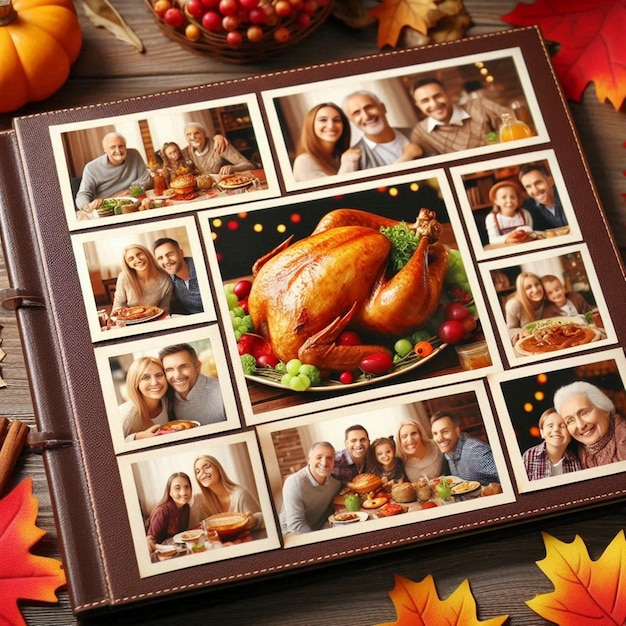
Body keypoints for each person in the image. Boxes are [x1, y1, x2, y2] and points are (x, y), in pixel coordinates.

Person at [409, 78, 512, 156]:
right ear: (418, 106)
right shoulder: (420, 133)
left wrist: (492, 138)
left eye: (437, 96)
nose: (434, 104)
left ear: (448, 95)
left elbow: (513, 124)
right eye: (425, 101)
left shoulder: (480, 106)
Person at [554, 381, 626, 468]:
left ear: (605, 410)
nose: (580, 425)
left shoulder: (623, 440)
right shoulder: (572, 454)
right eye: (570, 420)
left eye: (584, 413)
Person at [342, 91, 422, 169]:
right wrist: (407, 157)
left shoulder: (418, 134)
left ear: (383, 108)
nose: (366, 116)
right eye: (356, 113)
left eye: (369, 107)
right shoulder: (353, 159)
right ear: (351, 121)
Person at [75, 132, 153, 213]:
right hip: (107, 208)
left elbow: (145, 179)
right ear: (105, 149)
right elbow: (82, 194)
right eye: (113, 147)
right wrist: (87, 206)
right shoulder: (91, 167)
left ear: (125, 146)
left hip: (133, 203)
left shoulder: (134, 154)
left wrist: (130, 191)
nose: (118, 151)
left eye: (121, 146)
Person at [279, 442, 341, 535]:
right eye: (319, 457)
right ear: (309, 459)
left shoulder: (335, 483)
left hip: (320, 531)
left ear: (333, 462)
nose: (324, 463)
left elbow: (331, 513)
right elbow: (295, 525)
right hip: (291, 535)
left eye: (329, 458)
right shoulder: (294, 483)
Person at [159, 343, 226, 425]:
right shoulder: (165, 397)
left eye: (183, 366)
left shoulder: (223, 392)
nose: (177, 376)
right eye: (169, 369)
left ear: (197, 366)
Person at [292, 102, 361, 182]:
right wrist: (349, 162)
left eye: (336, 120)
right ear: (311, 125)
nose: (331, 125)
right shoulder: (304, 161)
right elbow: (335, 192)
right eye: (323, 120)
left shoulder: (337, 157)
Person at [189, 455, 263, 529]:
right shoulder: (201, 501)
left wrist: (255, 520)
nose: (202, 473)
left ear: (218, 469)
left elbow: (264, 522)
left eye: (207, 467)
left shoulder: (241, 495)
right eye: (197, 471)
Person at [430, 412, 499, 485]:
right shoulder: (448, 453)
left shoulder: (475, 451)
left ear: (457, 431)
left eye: (444, 432)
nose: (439, 438)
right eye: (435, 433)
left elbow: (508, 475)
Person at [119, 356, 171, 441]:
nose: (154, 383)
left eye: (159, 375)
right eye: (145, 377)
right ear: (135, 383)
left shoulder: (168, 401)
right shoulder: (124, 415)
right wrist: (136, 438)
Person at [111, 244, 173, 314]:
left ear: (147, 255)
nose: (137, 260)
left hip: (155, 319)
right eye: (131, 259)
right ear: (128, 264)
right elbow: (118, 305)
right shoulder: (123, 277)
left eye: (139, 254)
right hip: (129, 321)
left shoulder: (165, 278)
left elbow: (165, 308)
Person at [522, 408, 581, 480]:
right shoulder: (529, 457)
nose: (556, 429)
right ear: (542, 432)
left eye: (562, 426)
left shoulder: (577, 459)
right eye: (550, 426)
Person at [504, 271, 560, 344]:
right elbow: (510, 330)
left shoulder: (548, 298)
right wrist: (520, 332)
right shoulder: (514, 305)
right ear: (522, 291)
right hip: (526, 342)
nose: (535, 290)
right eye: (528, 287)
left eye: (537, 284)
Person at [153, 237, 204, 315]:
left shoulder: (202, 267)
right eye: (160, 258)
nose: (166, 261)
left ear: (181, 253)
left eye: (170, 254)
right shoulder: (169, 279)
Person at [182, 122, 253, 176]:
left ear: (204, 134)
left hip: (229, 184)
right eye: (188, 134)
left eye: (196, 133)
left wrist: (233, 168)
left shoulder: (219, 144)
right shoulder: (187, 151)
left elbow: (249, 165)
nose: (192, 137)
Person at [146, 472, 192, 552]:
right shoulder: (163, 511)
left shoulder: (186, 508)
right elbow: (151, 540)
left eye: (187, 487)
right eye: (177, 488)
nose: (183, 492)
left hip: (178, 549)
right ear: (169, 492)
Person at [519, 163, 568, 230]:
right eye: (528, 187)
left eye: (538, 183)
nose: (535, 190)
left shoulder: (567, 195)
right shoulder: (529, 206)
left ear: (550, 181)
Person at [484, 180, 534, 245]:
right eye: (504, 197)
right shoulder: (492, 218)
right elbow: (493, 240)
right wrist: (511, 236)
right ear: (496, 200)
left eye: (513, 197)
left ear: (517, 199)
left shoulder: (525, 214)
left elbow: (531, 233)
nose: (509, 200)